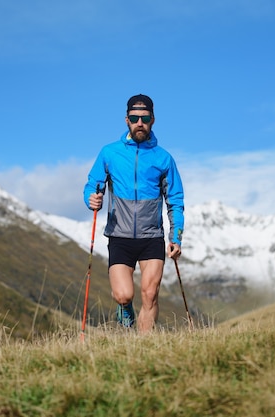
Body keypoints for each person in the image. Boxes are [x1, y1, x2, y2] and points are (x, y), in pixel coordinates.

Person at [83, 94, 185, 333]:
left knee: (150, 294)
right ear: (126, 120)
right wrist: (91, 198)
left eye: (145, 118)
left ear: (153, 120)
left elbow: (175, 201)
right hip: (120, 236)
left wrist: (176, 237)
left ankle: (144, 348)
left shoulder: (164, 158)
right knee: (123, 295)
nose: (140, 122)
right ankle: (124, 308)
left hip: (151, 237)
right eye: (134, 118)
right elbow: (92, 185)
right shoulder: (109, 153)